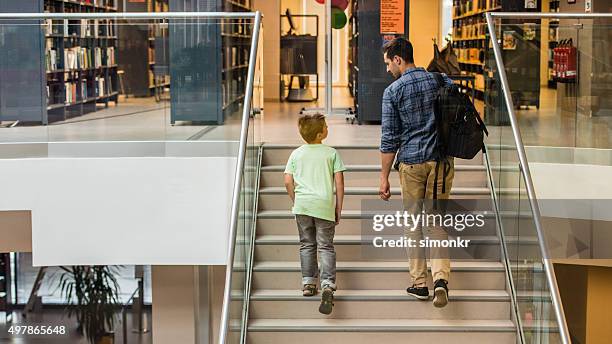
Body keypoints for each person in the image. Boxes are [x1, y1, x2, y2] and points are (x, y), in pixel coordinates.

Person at [378, 37, 455, 308]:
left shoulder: (393, 92)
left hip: (411, 164)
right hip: (441, 163)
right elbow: (455, 93)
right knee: (436, 222)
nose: (388, 69)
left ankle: (420, 284)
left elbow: (389, 140)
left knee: (413, 223)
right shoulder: (439, 80)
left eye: (389, 63)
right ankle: (441, 280)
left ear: (398, 59)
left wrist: (384, 176)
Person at [284, 113, 346, 315]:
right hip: (324, 206)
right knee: (326, 246)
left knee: (306, 243)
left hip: (302, 206)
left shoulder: (296, 154)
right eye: (326, 126)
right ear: (320, 134)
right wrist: (338, 207)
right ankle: (327, 284)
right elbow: (339, 183)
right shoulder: (331, 153)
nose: (327, 128)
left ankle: (309, 283)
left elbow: (287, 180)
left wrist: (296, 200)